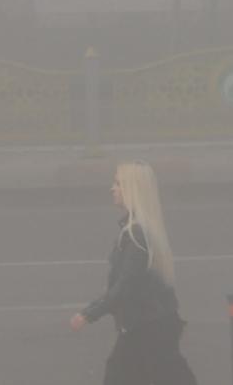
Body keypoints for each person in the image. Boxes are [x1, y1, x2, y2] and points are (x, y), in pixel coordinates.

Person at [69, 160, 199, 385]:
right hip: (154, 326)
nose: (112, 188)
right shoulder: (141, 229)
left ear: (132, 191)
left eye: (118, 183)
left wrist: (89, 314)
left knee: (118, 376)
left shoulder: (136, 234)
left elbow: (124, 286)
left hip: (145, 329)